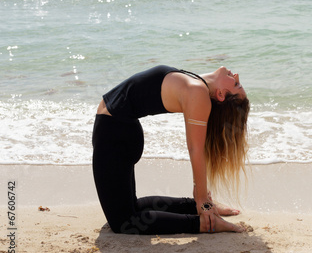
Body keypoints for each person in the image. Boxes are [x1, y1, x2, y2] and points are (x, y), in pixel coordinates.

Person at [92, 64, 250, 235]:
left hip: (114, 135)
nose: (236, 76)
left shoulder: (197, 91)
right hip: (119, 132)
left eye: (236, 85)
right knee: (132, 207)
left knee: (123, 222)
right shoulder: (197, 84)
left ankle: (204, 224)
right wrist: (201, 201)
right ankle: (194, 207)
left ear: (220, 94)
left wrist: (203, 201)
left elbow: (196, 149)